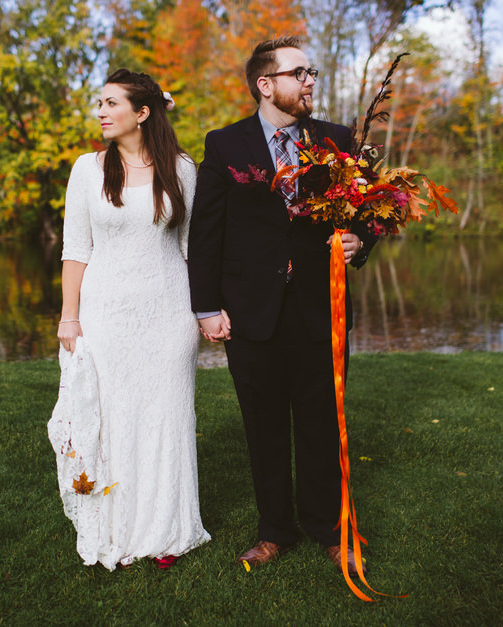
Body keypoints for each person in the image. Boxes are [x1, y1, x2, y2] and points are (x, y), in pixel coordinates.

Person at [187, 37, 375, 571]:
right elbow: (207, 233)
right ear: (265, 85)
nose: (310, 81)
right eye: (299, 73)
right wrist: (206, 308)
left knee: (321, 422)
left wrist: (361, 240)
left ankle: (327, 527)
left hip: (321, 305)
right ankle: (275, 530)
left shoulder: (338, 140)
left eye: (311, 72)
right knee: (263, 425)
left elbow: (368, 210)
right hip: (251, 309)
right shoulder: (225, 144)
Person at [47, 69, 210, 571]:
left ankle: (167, 530)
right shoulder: (86, 169)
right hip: (106, 317)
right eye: (99, 102)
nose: (100, 111)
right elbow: (76, 250)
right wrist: (68, 318)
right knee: (113, 426)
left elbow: (191, 250)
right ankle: (116, 527)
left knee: (166, 421)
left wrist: (205, 311)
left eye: (111, 103)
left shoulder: (182, 169)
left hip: (167, 314)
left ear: (142, 113)